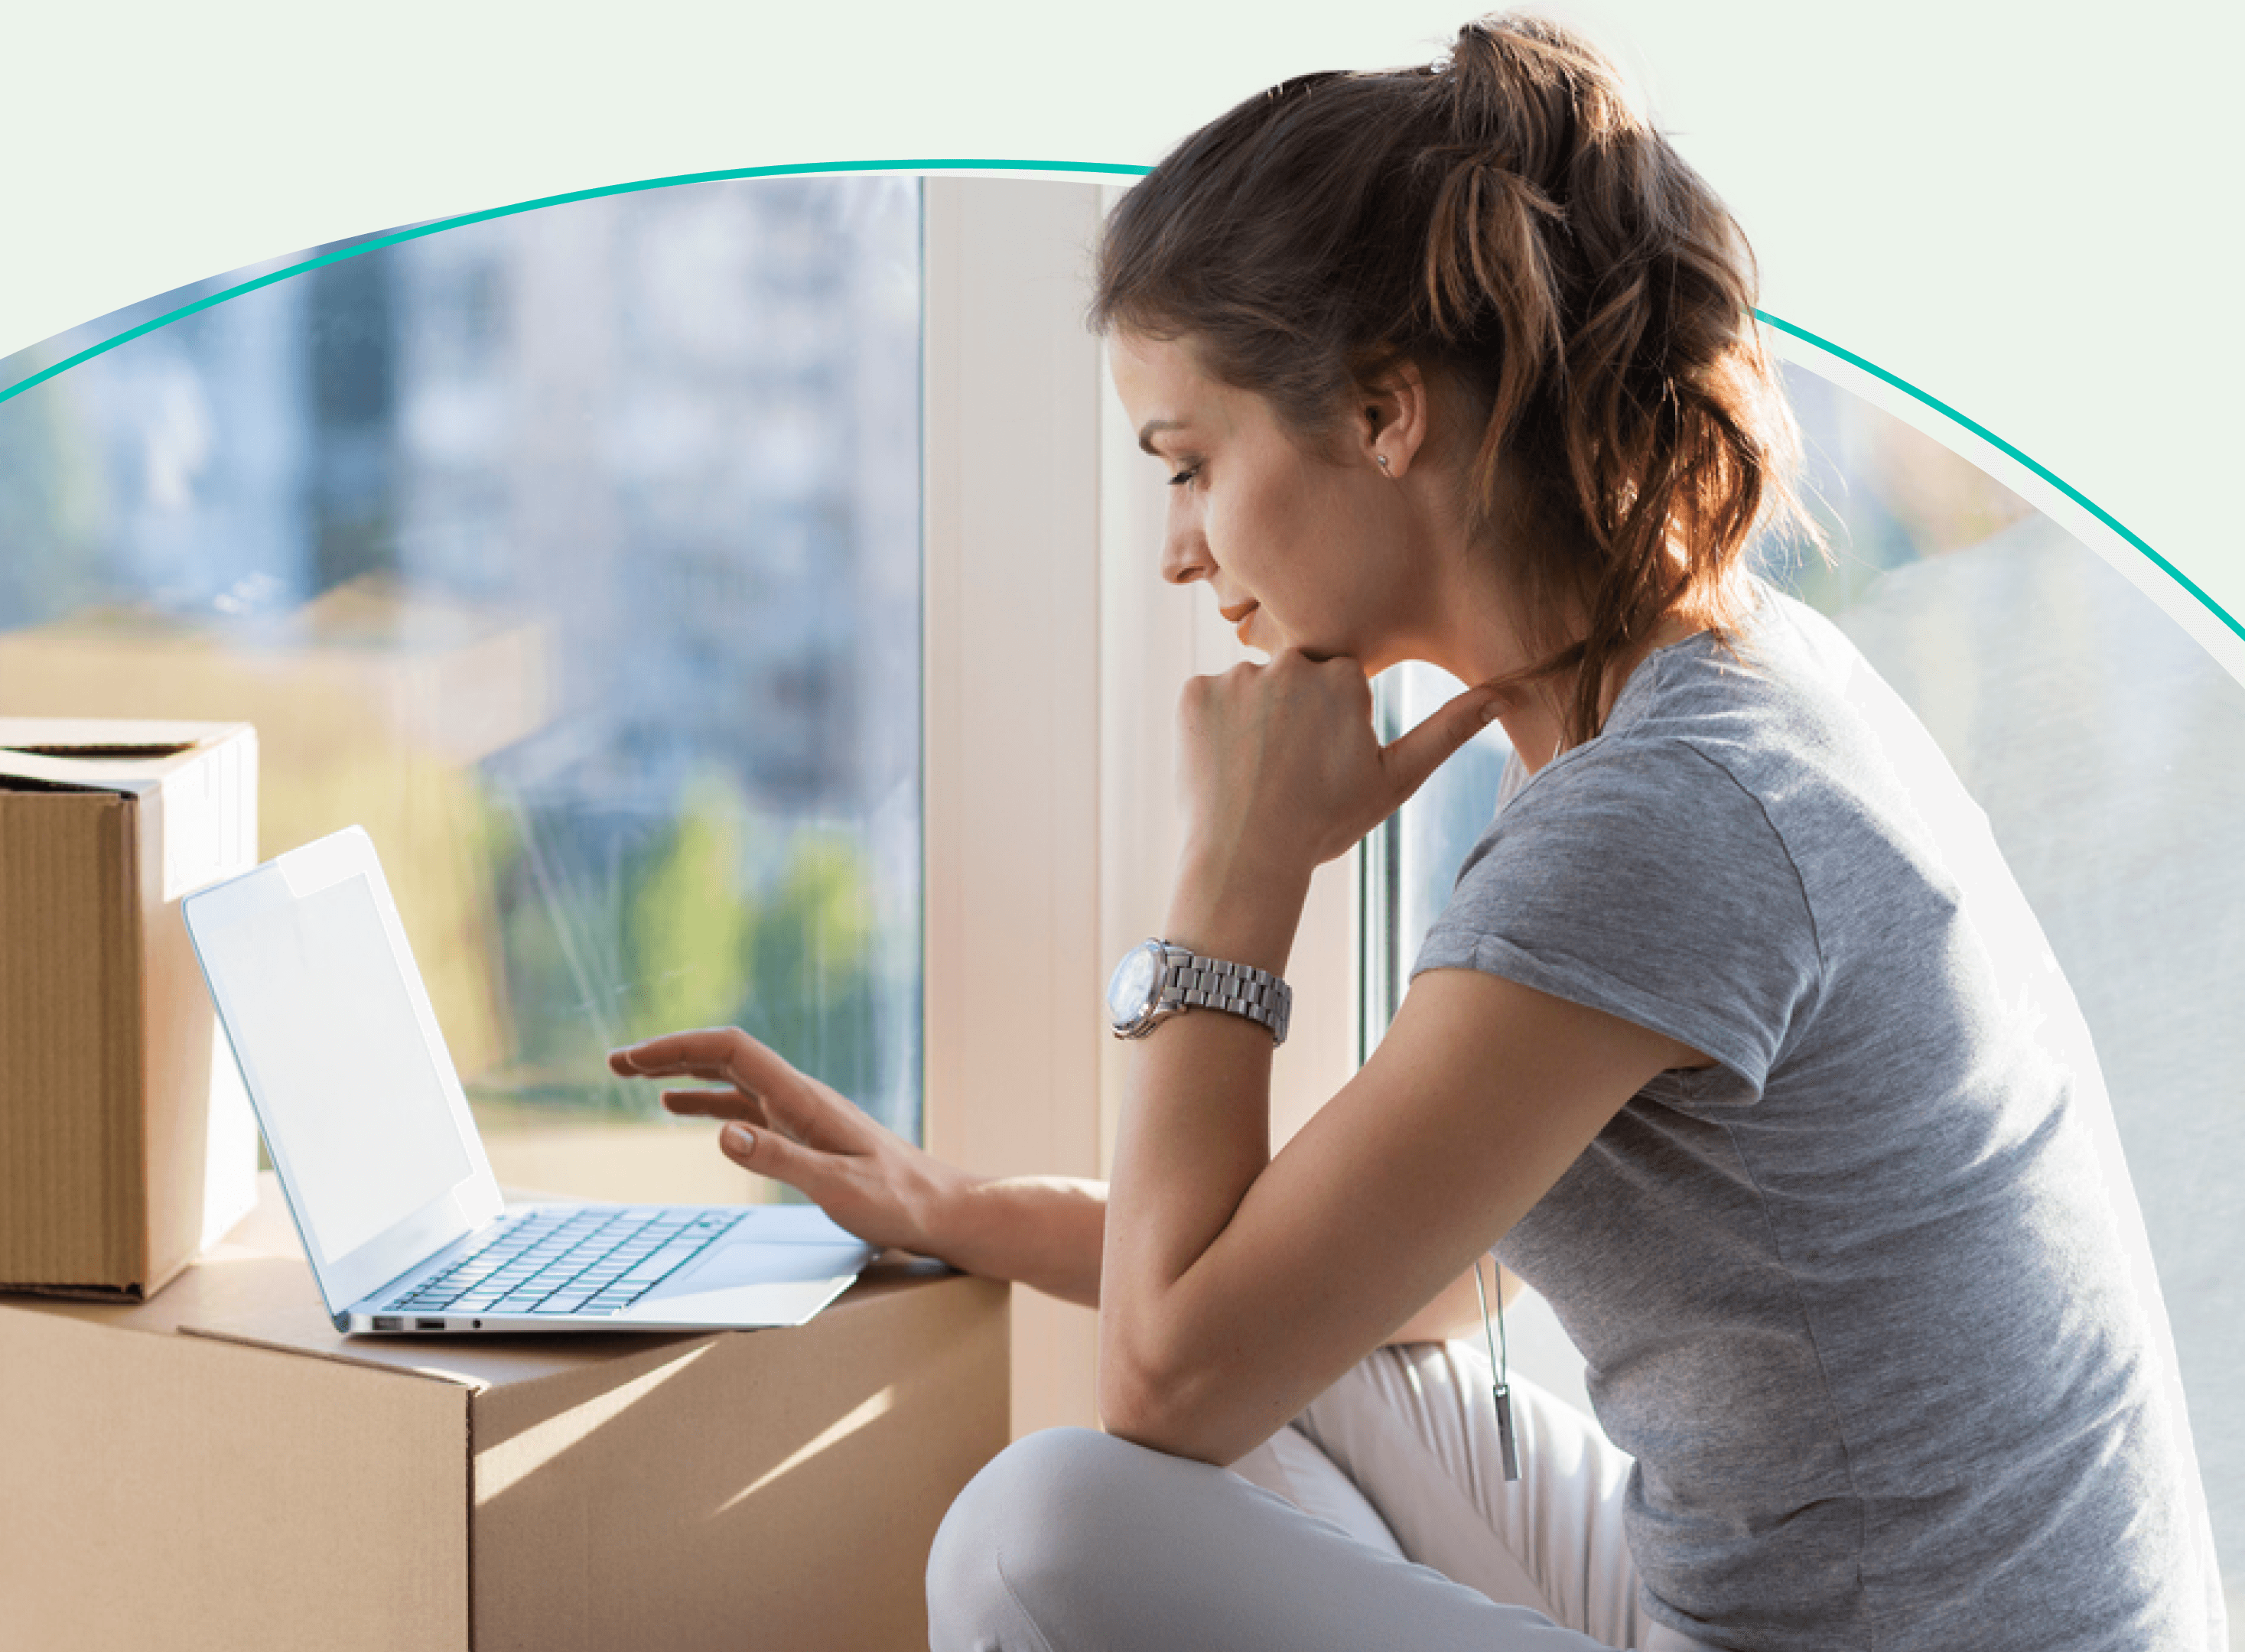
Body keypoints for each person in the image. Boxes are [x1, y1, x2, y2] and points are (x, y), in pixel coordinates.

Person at [610, 12, 2224, 1650]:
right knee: (1288, 1386)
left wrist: (1235, 887)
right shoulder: (1708, 694)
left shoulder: (1659, 819)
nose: (1179, 548)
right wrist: (948, 1199)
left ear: (1386, 413)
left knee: (1045, 1534)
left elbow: (1171, 1378)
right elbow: (1391, 1282)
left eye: (1190, 463)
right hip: (1790, 1587)